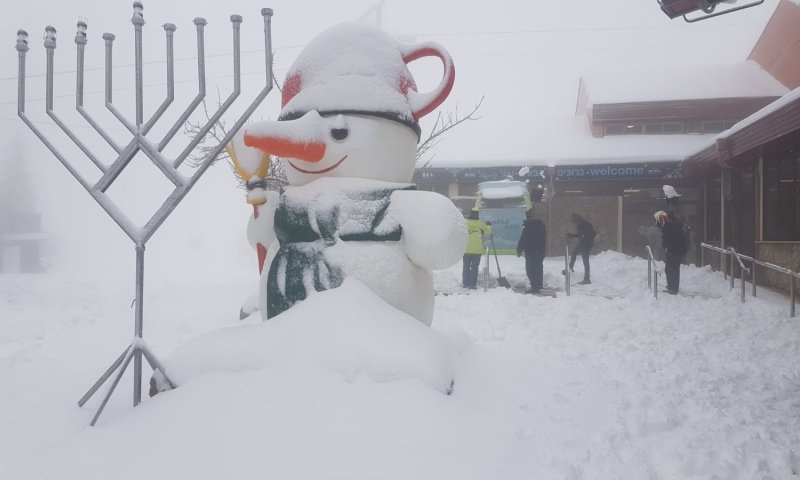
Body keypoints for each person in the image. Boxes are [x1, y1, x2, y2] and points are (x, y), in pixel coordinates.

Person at [656, 209, 687, 295]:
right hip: (678, 249)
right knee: (674, 268)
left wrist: (664, 242)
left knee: (670, 269)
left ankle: (672, 287)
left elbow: (668, 238)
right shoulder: (677, 224)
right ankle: (673, 286)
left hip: (673, 250)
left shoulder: (671, 226)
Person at [517, 208, 547, 293]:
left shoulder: (528, 227)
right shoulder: (542, 226)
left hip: (531, 252)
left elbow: (523, 239)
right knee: (538, 268)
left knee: (531, 270)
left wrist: (519, 250)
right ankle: (539, 285)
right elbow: (543, 239)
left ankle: (535, 287)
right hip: (540, 251)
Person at [462, 209, 491, 289]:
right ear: (477, 215)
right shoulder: (480, 224)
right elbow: (488, 232)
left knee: (466, 266)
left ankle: (465, 283)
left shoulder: (465, 223)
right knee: (474, 267)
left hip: (466, 249)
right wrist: (489, 226)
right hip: (477, 250)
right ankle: (472, 284)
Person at [564, 213, 596, 285]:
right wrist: (571, 235)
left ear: (577, 220)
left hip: (587, 244)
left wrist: (585, 241)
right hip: (582, 243)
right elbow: (579, 234)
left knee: (585, 261)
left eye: (574, 222)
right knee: (573, 253)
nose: (574, 224)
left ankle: (587, 279)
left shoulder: (587, 224)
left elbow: (590, 234)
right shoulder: (579, 225)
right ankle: (570, 268)